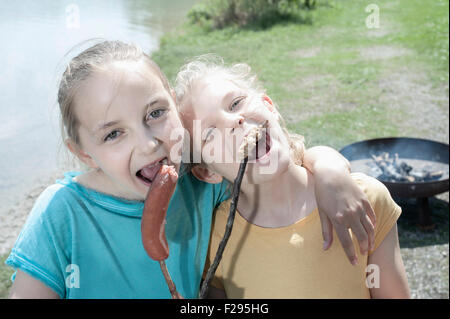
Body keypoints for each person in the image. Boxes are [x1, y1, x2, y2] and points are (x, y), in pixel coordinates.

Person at [6, 41, 374, 299]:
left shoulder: (199, 178)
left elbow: (277, 155)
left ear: (173, 104)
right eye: (114, 133)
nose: (149, 143)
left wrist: (329, 169)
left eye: (155, 113)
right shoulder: (61, 212)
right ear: (84, 153)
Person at [175, 56, 411, 298]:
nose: (235, 121)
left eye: (236, 103)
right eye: (210, 133)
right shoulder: (215, 238)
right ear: (208, 171)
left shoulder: (363, 198)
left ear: (269, 106)